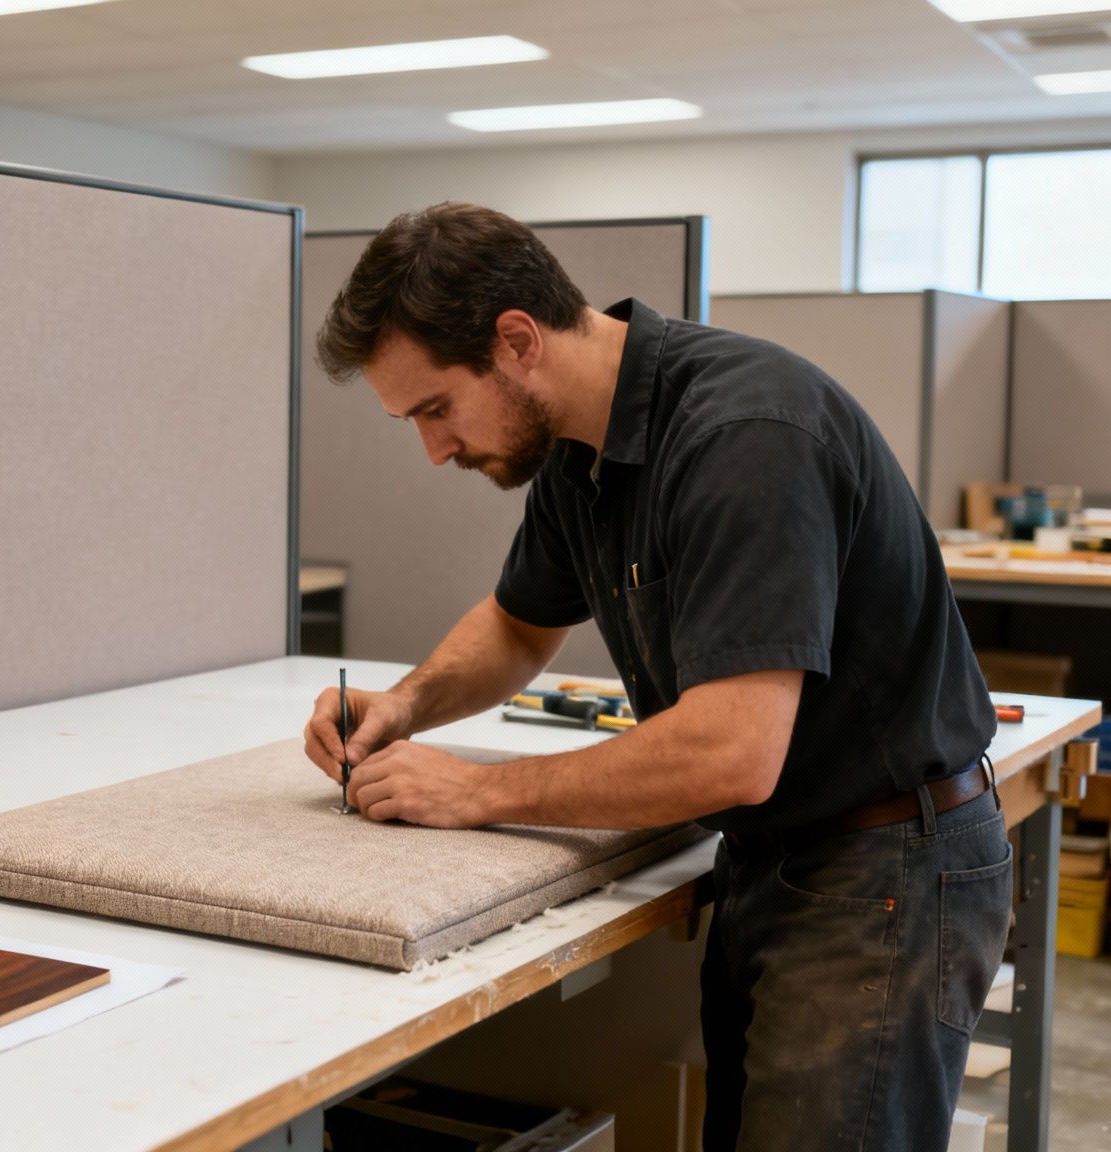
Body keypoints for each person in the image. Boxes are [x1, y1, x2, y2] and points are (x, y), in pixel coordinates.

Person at [302, 202, 1008, 1152]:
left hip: (886, 866)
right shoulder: (577, 449)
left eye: (435, 407)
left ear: (517, 342)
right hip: (779, 855)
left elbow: (731, 756)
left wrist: (474, 791)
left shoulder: (745, 435)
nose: (434, 448)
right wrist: (405, 704)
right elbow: (517, 624)